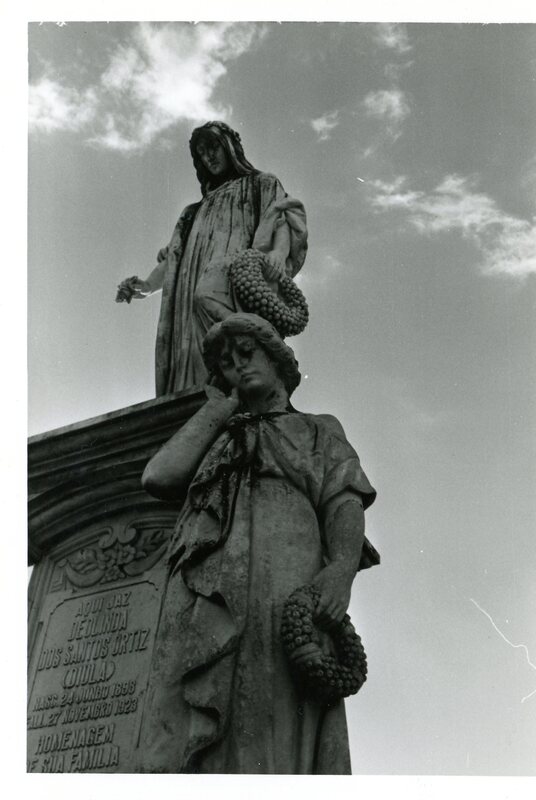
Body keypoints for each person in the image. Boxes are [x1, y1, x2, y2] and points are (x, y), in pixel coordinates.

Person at [139, 313, 379, 774]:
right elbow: (159, 476)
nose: (238, 366)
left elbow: (343, 500)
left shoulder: (316, 427)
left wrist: (341, 569)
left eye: (247, 354)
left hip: (281, 556)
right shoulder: (219, 433)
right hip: (205, 570)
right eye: (227, 363)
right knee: (186, 682)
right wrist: (217, 410)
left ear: (277, 360)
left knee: (269, 683)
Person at [116, 121, 308, 395]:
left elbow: (281, 217)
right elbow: (174, 258)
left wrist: (278, 252)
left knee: (212, 305)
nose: (209, 157)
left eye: (213, 147)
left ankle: (248, 370)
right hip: (189, 285)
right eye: (202, 153)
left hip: (236, 275)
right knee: (192, 351)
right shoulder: (192, 211)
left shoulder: (261, 183)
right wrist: (146, 286)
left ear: (230, 147)